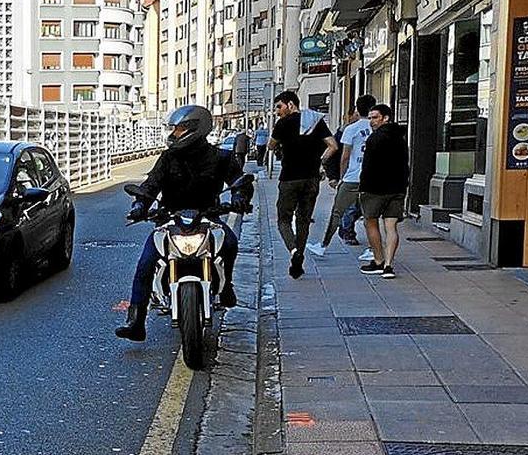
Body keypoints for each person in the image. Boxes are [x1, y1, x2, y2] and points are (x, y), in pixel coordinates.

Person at [116, 105, 254, 341]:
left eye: (178, 129)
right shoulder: (168, 158)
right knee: (146, 262)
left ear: (194, 129)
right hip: (171, 218)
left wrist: (240, 198)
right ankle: (136, 321)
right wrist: (140, 206)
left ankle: (226, 285)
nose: (173, 134)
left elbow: (239, 181)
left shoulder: (221, 157)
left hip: (207, 217)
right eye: (173, 129)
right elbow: (151, 184)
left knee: (230, 242)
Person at [268, 91, 338, 279]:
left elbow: (270, 145)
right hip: (311, 178)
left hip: (289, 178)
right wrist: (320, 160)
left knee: (283, 219)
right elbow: (333, 146)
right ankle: (300, 253)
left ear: (290, 104)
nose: (277, 111)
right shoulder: (316, 121)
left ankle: (294, 252)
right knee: (303, 220)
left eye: (279, 106)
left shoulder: (282, 124)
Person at [305, 95, 377, 257]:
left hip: (352, 177)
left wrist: (341, 176)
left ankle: (323, 245)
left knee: (337, 211)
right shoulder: (377, 128)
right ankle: (374, 250)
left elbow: (344, 156)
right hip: (372, 178)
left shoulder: (351, 129)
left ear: (357, 110)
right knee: (370, 216)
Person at [358, 104, 409, 279]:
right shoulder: (400, 138)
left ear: (385, 117)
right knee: (391, 226)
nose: (371, 121)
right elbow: (405, 164)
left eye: (375, 117)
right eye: (370, 118)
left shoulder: (374, 139)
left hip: (374, 188)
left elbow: (368, 166)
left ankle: (379, 261)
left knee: (370, 223)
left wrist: (363, 187)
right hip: (396, 188)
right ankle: (388, 265)